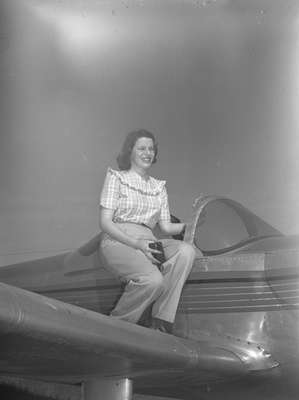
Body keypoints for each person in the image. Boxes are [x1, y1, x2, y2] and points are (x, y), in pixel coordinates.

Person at [99, 129, 196, 333]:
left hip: (148, 239)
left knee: (186, 251)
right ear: (130, 151)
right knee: (153, 281)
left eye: (151, 149)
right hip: (119, 240)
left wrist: (192, 225)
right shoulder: (116, 178)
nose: (147, 152)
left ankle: (160, 320)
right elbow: (105, 223)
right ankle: (116, 329)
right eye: (141, 148)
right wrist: (136, 244)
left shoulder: (158, 187)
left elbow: (166, 227)